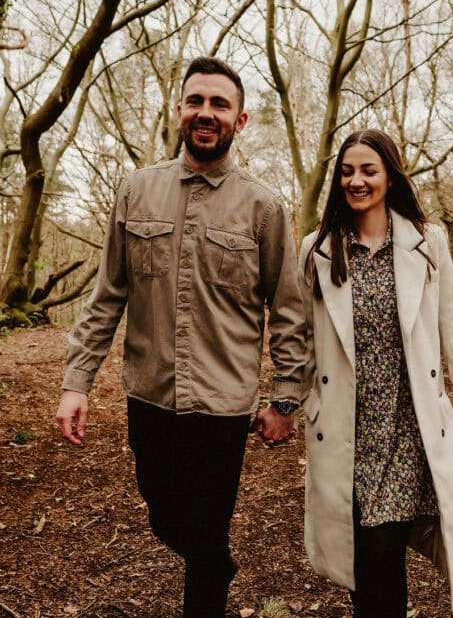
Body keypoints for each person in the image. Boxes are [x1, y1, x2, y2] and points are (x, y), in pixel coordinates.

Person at [55, 56, 307, 618]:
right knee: (163, 516)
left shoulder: (264, 207)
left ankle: (209, 583)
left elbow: (289, 311)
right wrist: (77, 383)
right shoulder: (137, 191)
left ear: (240, 120)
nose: (206, 113)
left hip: (222, 406)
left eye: (220, 104)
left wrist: (286, 398)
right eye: (196, 101)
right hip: (150, 395)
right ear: (179, 111)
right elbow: (107, 297)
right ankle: (213, 563)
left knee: (207, 534)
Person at [298, 128, 453, 617]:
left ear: (390, 175)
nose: (356, 181)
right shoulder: (317, 250)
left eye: (368, 170)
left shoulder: (427, 243)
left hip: (407, 424)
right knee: (364, 555)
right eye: (347, 171)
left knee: (381, 548)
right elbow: (298, 337)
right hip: (347, 425)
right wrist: (298, 400)